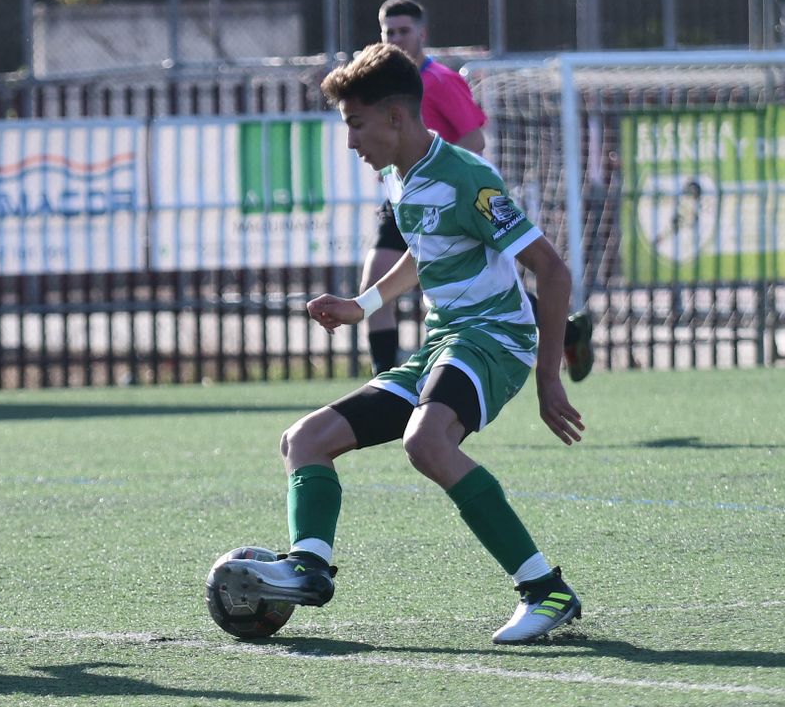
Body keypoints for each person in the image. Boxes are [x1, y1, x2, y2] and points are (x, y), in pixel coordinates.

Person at [214, 43, 585, 645]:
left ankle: (547, 591)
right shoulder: (399, 177)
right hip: (444, 343)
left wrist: (548, 378)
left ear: (396, 116)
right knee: (304, 440)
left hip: (494, 338)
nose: (350, 141)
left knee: (426, 440)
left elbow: (553, 269)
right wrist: (361, 306)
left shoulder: (469, 178)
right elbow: (425, 250)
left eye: (355, 125)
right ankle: (308, 567)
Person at [364, 0, 594, 381]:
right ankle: (383, 386)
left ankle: (567, 331)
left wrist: (432, 174)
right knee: (374, 286)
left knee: (484, 288)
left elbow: (474, 141)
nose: (397, 38)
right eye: (390, 32)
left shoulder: (439, 81)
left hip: (447, 202)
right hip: (404, 202)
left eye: (404, 31)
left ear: (423, 34)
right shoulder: (385, 87)